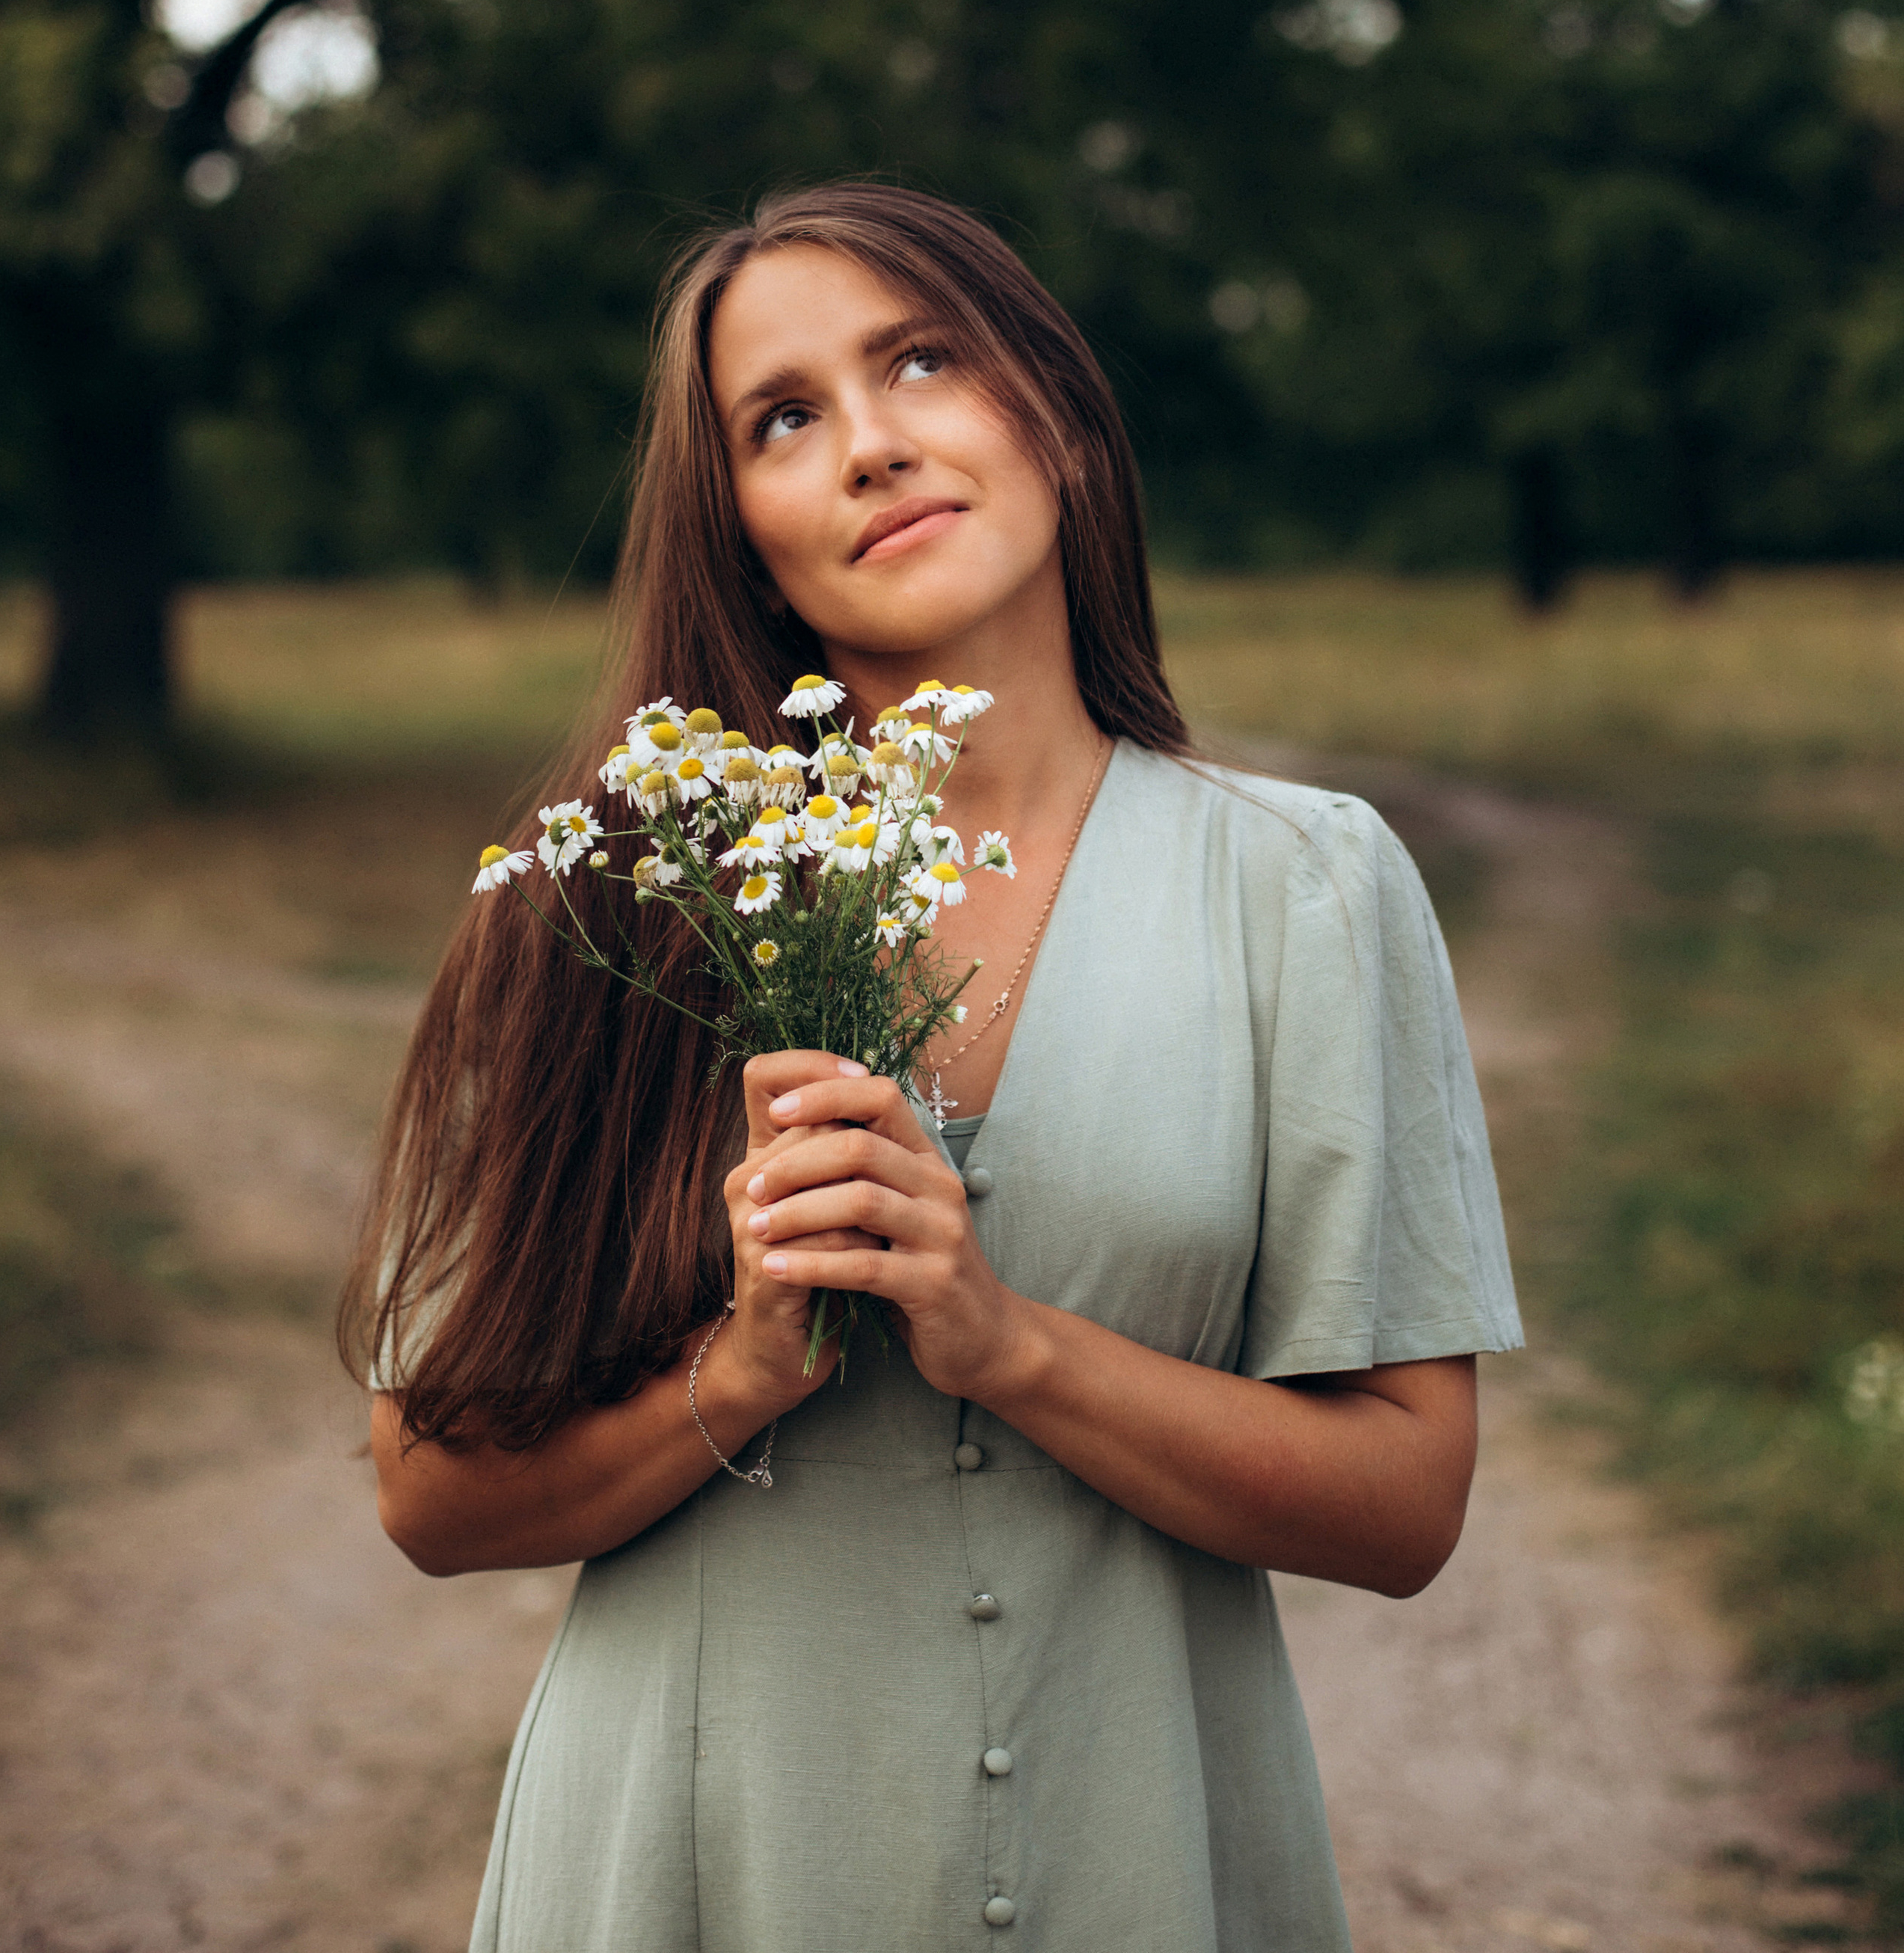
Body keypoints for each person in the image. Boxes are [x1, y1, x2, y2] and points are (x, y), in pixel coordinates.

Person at [343, 180, 1520, 1953]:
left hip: (1145, 1861)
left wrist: (1011, 1347)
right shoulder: (613, 896)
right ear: (739, 526)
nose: (872, 449)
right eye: (786, 419)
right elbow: (429, 1497)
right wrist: (736, 1372)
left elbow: (1405, 1504)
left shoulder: (1306, 887)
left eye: (921, 364)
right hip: (695, 1873)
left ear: (1047, 404)